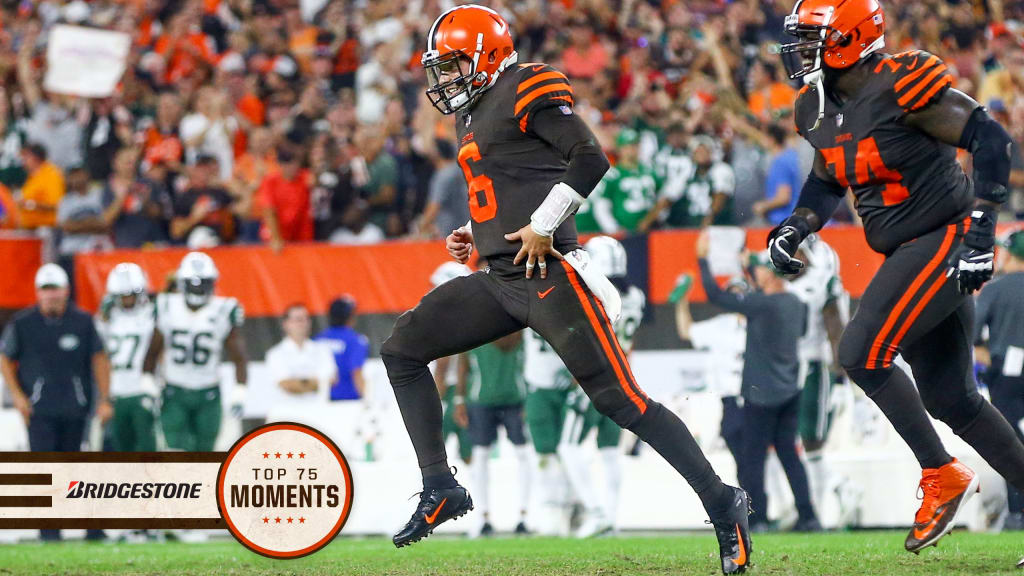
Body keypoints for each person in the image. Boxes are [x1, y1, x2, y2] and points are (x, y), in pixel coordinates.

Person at [385, 7, 750, 574]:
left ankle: (724, 503)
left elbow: (590, 157)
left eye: (454, 62)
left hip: (552, 274)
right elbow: (507, 182)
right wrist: (472, 234)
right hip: (502, 276)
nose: (446, 78)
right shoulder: (472, 110)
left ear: (485, 52)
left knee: (623, 402)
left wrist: (544, 223)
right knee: (402, 348)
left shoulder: (525, 83)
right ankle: (441, 487)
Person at [771, 0, 1024, 552]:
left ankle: (941, 472)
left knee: (862, 352)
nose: (798, 53)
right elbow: (826, 178)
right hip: (909, 248)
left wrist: (983, 225)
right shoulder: (814, 108)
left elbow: (992, 142)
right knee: (951, 398)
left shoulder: (900, 85)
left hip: (944, 237)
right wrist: (798, 225)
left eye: (810, 40)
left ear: (849, 40)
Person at [697, 234, 820, 532]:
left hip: (760, 393)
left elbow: (716, 295)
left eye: (761, 269)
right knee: (790, 455)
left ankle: (759, 518)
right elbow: (801, 332)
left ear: (769, 273)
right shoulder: (796, 303)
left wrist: (702, 260)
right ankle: (808, 516)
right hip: (790, 389)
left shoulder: (761, 305)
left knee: (753, 460)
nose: (756, 273)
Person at [0, 264, 111, 541]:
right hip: (39, 410)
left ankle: (93, 529)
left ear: (66, 291)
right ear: (38, 293)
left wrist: (105, 399)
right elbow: (4, 358)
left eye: (55, 289)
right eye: (45, 290)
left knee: (80, 469)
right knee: (45, 471)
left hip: (78, 407)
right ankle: (49, 532)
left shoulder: (83, 322)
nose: (51, 295)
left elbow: (99, 359)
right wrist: (17, 395)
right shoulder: (23, 323)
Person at [558, 236, 645, 538]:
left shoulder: (594, 294)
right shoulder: (636, 296)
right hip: (621, 379)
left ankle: (597, 512)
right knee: (609, 452)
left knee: (567, 447)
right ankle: (611, 516)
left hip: (593, 379)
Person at [144, 252, 247, 451]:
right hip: (174, 392)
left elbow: (239, 356)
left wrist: (240, 391)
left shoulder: (224, 309)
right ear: (182, 283)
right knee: (176, 453)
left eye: (203, 283)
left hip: (208, 393)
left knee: (205, 455)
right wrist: (147, 382)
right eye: (194, 283)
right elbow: (152, 350)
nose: (198, 288)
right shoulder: (166, 305)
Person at [785, 235, 849, 516]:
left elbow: (836, 331)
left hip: (812, 366)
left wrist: (840, 379)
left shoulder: (821, 282)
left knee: (812, 437)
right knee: (784, 437)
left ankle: (819, 504)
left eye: (798, 251)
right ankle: (805, 503)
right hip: (784, 368)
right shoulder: (777, 281)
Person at [974, 230, 1024, 528]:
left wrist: (990, 359)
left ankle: (1018, 512)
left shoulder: (995, 289)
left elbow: (974, 334)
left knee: (1011, 442)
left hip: (1007, 373)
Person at [458, 331, 530, 537]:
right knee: (480, 455)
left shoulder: (517, 325)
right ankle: (482, 516)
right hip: (481, 400)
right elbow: (463, 365)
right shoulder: (473, 328)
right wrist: (459, 400)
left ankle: (525, 515)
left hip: (516, 399)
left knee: (523, 454)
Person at [96, 263, 158, 452]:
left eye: (132, 295)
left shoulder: (153, 314)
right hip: (116, 393)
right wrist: (104, 397)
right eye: (122, 296)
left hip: (143, 390)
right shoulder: (105, 319)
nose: (128, 300)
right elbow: (100, 358)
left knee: (147, 453)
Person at [427, 263, 475, 466]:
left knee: (437, 453)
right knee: (472, 452)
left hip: (451, 388)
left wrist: (434, 398)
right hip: (473, 386)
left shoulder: (446, 316)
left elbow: (443, 364)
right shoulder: (473, 313)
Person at [265, 304, 337, 404]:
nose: (302, 323)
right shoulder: (275, 354)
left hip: (318, 410)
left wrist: (298, 383)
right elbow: (285, 384)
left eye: (305, 319)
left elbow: (330, 380)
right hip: (287, 412)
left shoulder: (322, 350)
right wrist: (315, 383)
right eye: (298, 319)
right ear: (286, 324)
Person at [315, 295, 369, 401]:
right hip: (349, 400)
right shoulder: (357, 340)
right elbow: (356, 371)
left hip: (319, 399)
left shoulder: (317, 339)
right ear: (351, 316)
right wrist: (367, 399)